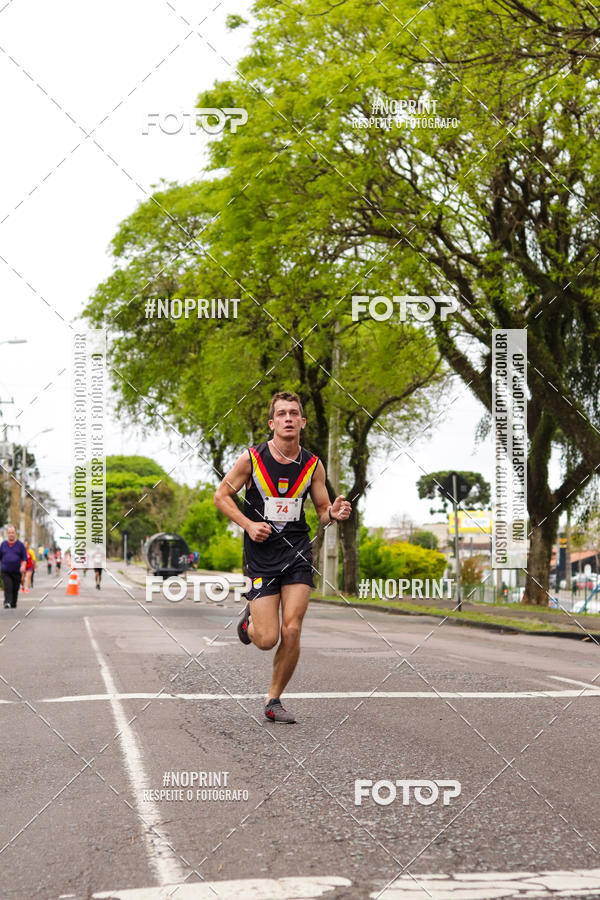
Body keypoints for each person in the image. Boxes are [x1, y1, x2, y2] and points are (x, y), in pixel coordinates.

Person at [214, 390, 352, 724]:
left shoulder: (312, 464)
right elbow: (221, 496)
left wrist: (333, 513)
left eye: (294, 413)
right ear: (272, 422)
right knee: (267, 639)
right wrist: (248, 524)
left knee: (292, 629)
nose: (288, 418)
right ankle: (250, 623)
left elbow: (321, 511)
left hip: (297, 553)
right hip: (261, 555)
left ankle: (273, 699)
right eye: (282, 413)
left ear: (302, 422)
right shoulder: (252, 459)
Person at [0, 526, 27, 608]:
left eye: (12, 532)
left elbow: (24, 558)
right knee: (8, 586)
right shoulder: (3, 545)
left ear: (15, 533)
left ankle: (13, 603)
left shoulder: (20, 545)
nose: (11, 534)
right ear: (7, 534)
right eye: (9, 532)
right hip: (6, 571)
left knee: (15, 589)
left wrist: (23, 566)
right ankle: (7, 602)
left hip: (16, 571)